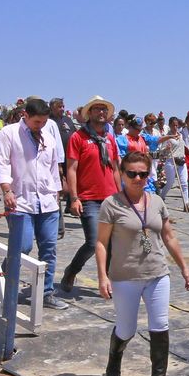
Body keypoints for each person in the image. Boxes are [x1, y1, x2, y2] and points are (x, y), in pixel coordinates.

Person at [96, 149, 189, 376]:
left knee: (160, 326)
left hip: (157, 274)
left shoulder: (157, 202)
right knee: (126, 328)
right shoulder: (111, 204)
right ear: (122, 173)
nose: (138, 178)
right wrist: (102, 277)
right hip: (124, 276)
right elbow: (101, 244)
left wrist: (184, 267)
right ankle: (115, 357)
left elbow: (169, 236)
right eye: (132, 174)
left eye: (143, 174)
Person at [0, 96, 69, 311]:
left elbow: (53, 166)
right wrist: (6, 190)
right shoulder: (8, 134)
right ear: (25, 116)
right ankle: (5, 283)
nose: (41, 126)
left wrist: (56, 191)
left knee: (49, 248)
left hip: (47, 201)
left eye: (44, 122)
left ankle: (46, 292)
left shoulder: (49, 135)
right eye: (37, 122)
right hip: (20, 200)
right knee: (23, 246)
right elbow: (1, 163)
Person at [60, 97, 121, 295]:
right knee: (94, 241)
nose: (101, 113)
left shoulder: (109, 139)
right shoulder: (78, 137)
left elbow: (115, 168)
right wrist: (74, 197)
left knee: (112, 243)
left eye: (104, 109)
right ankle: (72, 270)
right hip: (89, 198)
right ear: (89, 113)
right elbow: (71, 168)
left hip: (110, 197)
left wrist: (121, 195)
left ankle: (108, 281)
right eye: (97, 110)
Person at [156, 115, 189, 213]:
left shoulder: (180, 135)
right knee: (170, 182)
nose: (175, 127)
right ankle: (162, 197)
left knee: (184, 183)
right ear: (170, 125)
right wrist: (166, 148)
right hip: (171, 161)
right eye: (173, 125)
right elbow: (161, 151)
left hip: (181, 160)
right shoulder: (167, 137)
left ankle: (186, 204)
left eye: (176, 125)